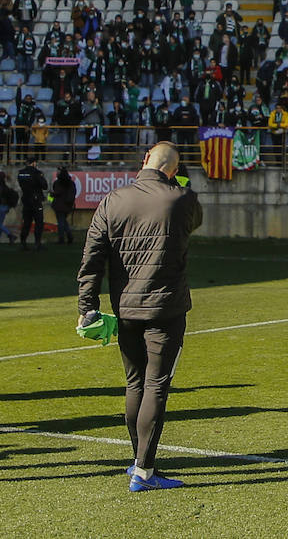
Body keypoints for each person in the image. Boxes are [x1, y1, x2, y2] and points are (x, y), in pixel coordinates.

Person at [76, 142, 203, 491]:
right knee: (156, 385)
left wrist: (87, 307)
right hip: (166, 308)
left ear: (145, 159)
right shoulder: (182, 198)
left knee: (135, 383)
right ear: (175, 170)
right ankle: (144, 471)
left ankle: (139, 462)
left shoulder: (113, 200)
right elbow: (196, 218)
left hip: (126, 307)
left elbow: (92, 260)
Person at [16, 156, 46, 251]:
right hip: (36, 201)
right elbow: (44, 186)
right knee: (39, 223)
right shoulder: (37, 173)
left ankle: (23, 242)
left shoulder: (21, 173)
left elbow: (22, 185)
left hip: (26, 201)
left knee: (26, 223)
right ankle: (37, 243)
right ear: (34, 163)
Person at [50, 166, 77, 245]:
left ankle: (63, 238)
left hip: (59, 205)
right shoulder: (70, 183)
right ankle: (69, 236)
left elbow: (57, 192)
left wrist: (52, 194)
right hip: (67, 205)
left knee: (61, 223)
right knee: (63, 222)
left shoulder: (58, 183)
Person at [0, 171, 16, 243]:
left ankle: (10, 235)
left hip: (1, 206)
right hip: (5, 207)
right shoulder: (5, 186)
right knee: (0, 224)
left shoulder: (1, 187)